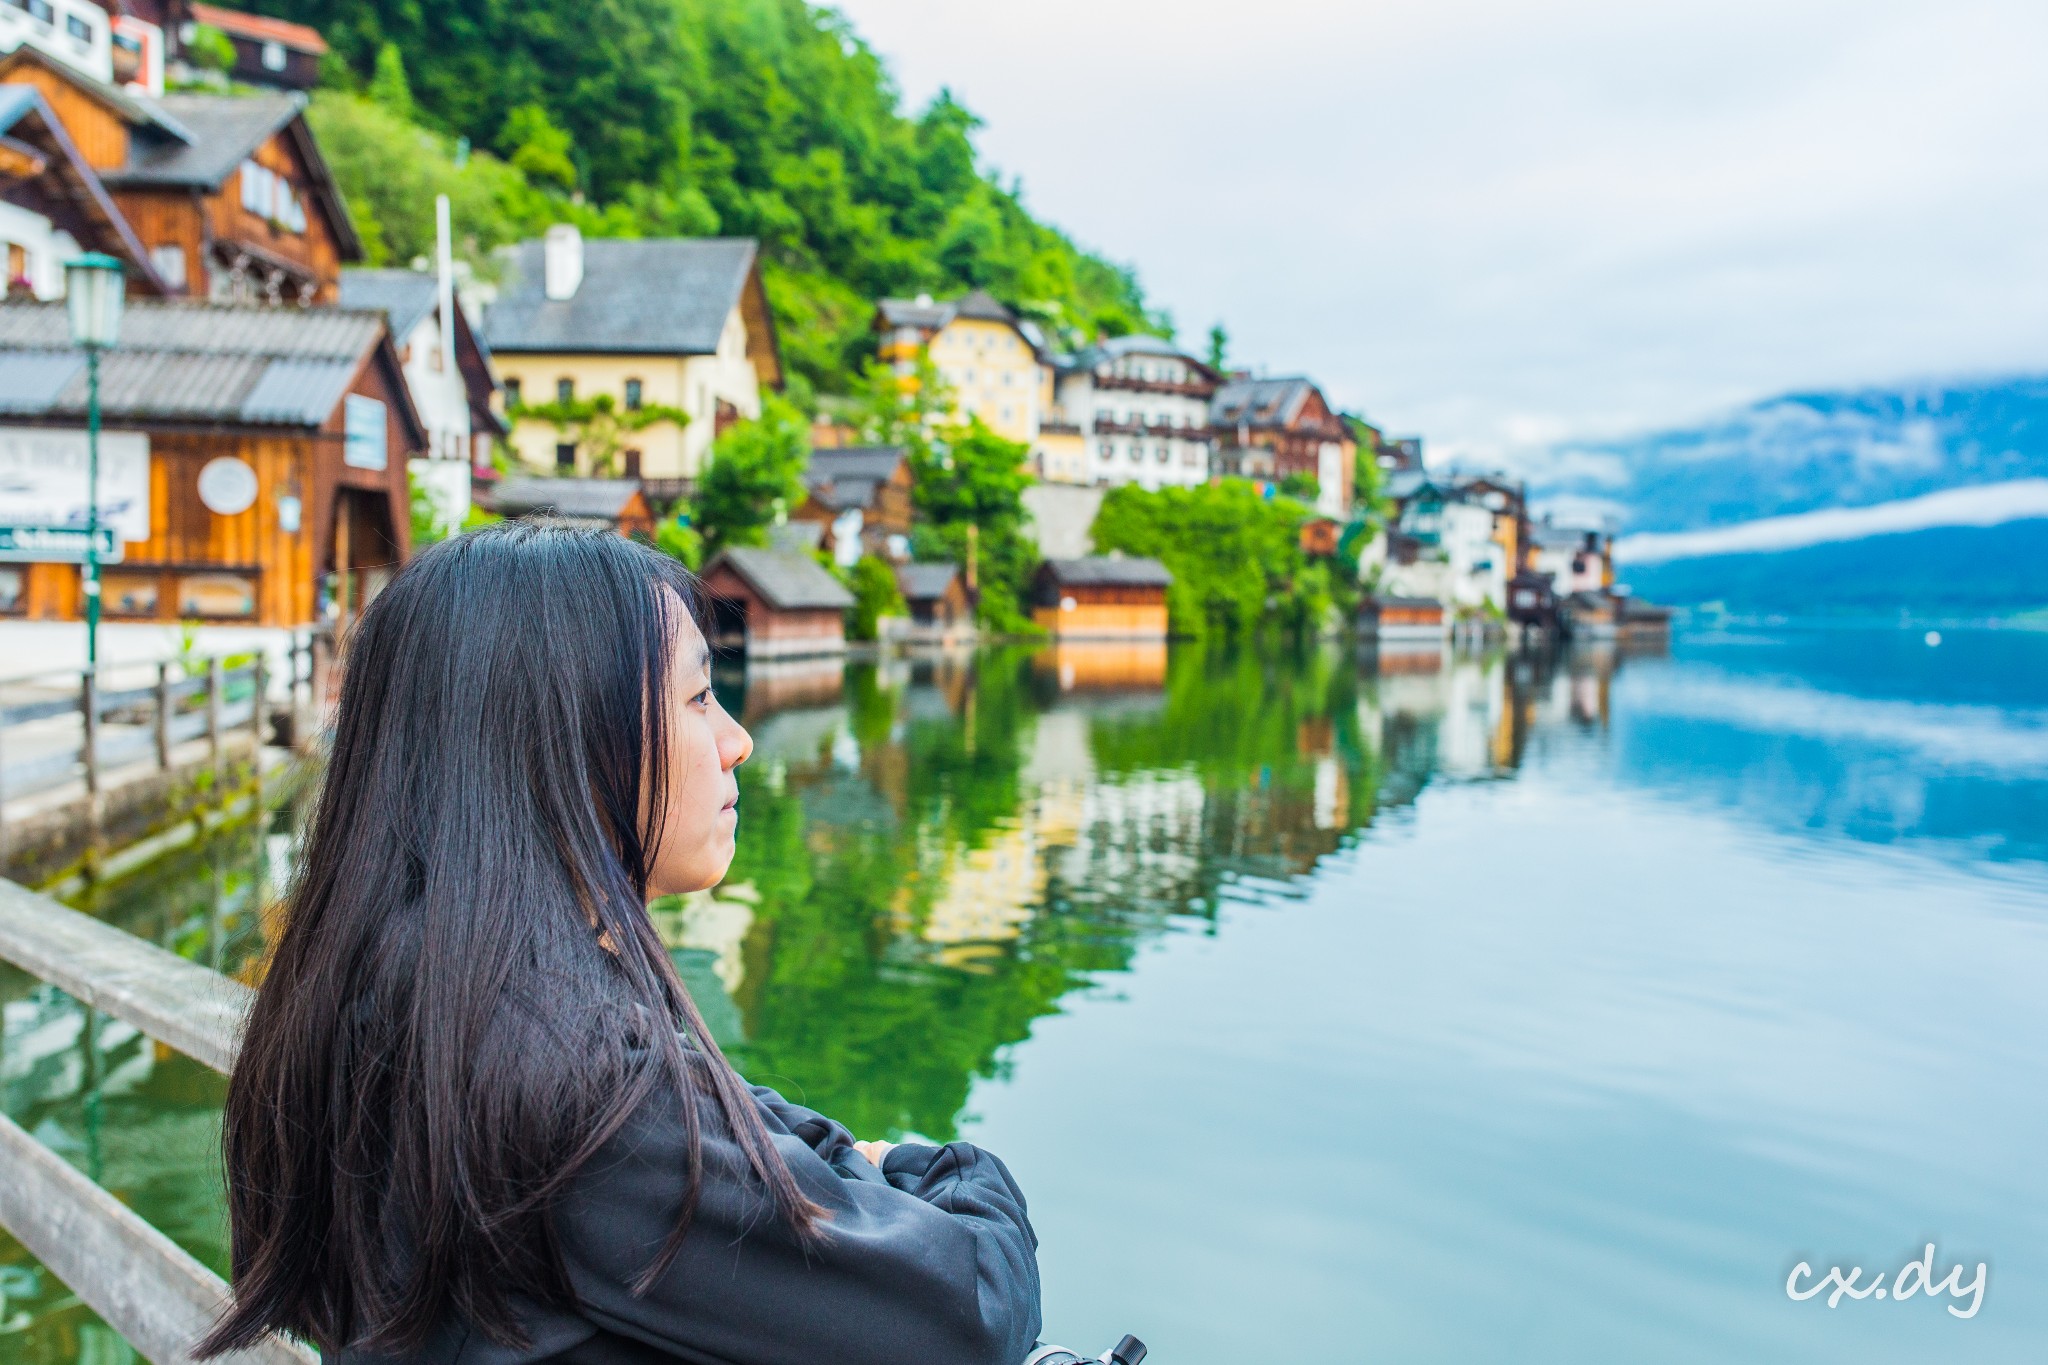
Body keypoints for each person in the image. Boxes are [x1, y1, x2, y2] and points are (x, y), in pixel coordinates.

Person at [197, 522, 1042, 1364]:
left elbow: (740, 1117)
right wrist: (962, 1180)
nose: (736, 740)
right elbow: (970, 1311)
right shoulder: (572, 1086)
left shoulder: (393, 977)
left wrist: (832, 1159)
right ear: (561, 738)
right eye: (699, 699)